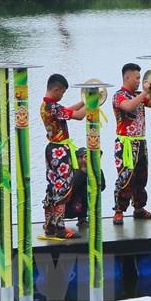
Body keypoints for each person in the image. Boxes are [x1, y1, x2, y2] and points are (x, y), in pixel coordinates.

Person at [41, 73, 86, 239]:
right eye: (62, 93)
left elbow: (68, 110)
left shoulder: (47, 106)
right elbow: (79, 116)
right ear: (56, 89)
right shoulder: (53, 107)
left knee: (53, 186)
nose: (62, 96)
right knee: (63, 187)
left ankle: (50, 224)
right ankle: (60, 228)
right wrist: (94, 102)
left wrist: (84, 101)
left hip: (51, 149)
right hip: (59, 152)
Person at [112, 63, 151, 225]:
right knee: (125, 178)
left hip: (141, 142)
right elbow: (128, 107)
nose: (138, 81)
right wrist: (144, 92)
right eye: (136, 78)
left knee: (141, 178)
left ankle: (139, 208)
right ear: (127, 77)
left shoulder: (138, 95)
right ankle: (119, 210)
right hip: (125, 144)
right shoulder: (119, 95)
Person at [65, 148, 106, 226]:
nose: (87, 160)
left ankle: (83, 218)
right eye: (84, 157)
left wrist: (95, 171)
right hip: (69, 207)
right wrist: (83, 171)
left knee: (88, 190)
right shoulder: (71, 170)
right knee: (82, 190)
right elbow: (73, 187)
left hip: (86, 205)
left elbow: (102, 187)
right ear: (77, 159)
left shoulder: (97, 170)